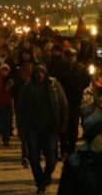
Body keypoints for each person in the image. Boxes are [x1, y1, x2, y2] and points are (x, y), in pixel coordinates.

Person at [16, 64, 68, 194]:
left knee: (52, 158)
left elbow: (62, 103)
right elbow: (20, 108)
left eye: (42, 72)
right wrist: (21, 127)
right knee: (33, 157)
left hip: (50, 128)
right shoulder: (28, 87)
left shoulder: (54, 85)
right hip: (32, 128)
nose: (40, 75)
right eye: (37, 72)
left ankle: (46, 176)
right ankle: (40, 182)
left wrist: (64, 121)